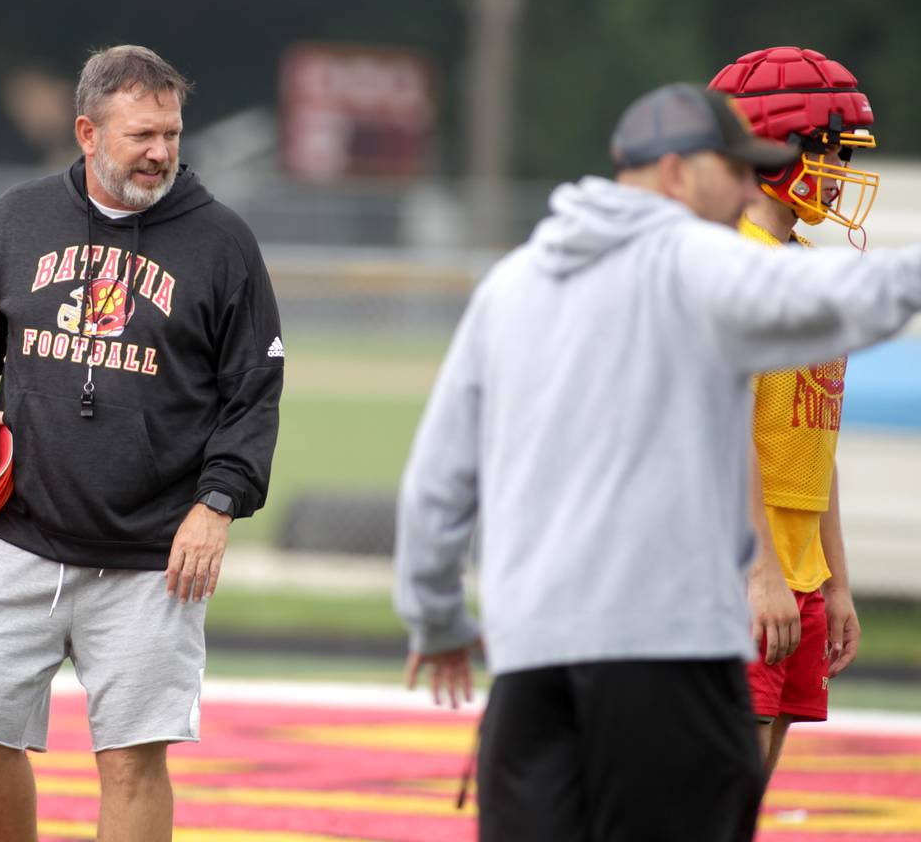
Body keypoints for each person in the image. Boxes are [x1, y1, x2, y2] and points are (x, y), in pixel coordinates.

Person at [393, 82, 921, 842]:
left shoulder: (511, 283)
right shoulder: (698, 263)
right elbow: (848, 296)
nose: (748, 187)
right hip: (669, 659)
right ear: (675, 171)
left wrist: (436, 617)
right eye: (735, 169)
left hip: (533, 660)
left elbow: (438, 480)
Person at [0, 44, 284, 842]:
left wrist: (217, 503)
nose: (161, 152)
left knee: (130, 761)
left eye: (172, 134)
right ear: (87, 133)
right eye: (140, 136)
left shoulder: (222, 243)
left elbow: (254, 394)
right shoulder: (20, 217)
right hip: (18, 532)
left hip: (153, 553)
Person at [711, 46, 876, 779]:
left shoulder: (806, 273)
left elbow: (817, 445)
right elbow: (724, 432)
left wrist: (834, 582)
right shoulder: (729, 267)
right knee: (714, 795)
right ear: (772, 149)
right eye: (829, 150)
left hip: (798, 569)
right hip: (743, 568)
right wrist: (760, 575)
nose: (841, 171)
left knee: (745, 801)